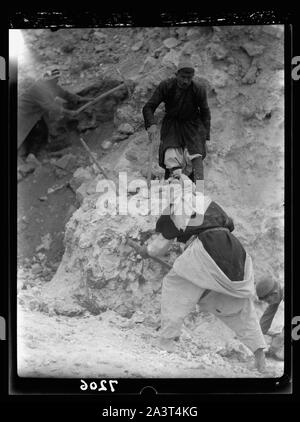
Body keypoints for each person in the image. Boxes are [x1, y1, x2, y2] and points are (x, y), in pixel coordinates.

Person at [137, 174, 267, 372]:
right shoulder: (205, 201)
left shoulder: (177, 205)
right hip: (236, 250)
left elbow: (159, 247)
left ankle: (166, 340)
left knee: (176, 284)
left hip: (208, 247)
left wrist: (145, 251)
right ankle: (259, 355)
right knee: (238, 304)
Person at [142, 52, 211, 183]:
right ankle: (172, 193)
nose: (186, 81)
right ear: (176, 75)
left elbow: (205, 112)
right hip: (172, 126)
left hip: (193, 126)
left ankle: (199, 195)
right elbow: (148, 107)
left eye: (189, 78)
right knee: (172, 159)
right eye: (183, 77)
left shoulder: (198, 89)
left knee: (196, 160)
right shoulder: (166, 86)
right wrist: (151, 124)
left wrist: (206, 135)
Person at [18, 68, 92, 153]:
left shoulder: (53, 87)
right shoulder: (38, 88)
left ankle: (35, 153)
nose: (57, 80)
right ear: (50, 80)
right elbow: (50, 106)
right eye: (56, 79)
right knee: (20, 132)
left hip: (35, 113)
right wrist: (68, 112)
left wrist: (83, 99)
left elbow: (66, 94)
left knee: (41, 131)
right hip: (22, 112)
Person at [256, 278, 284, 360]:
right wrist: (256, 332)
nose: (267, 303)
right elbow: (266, 318)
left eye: (268, 300)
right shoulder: (277, 296)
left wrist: (280, 338)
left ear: (274, 293)